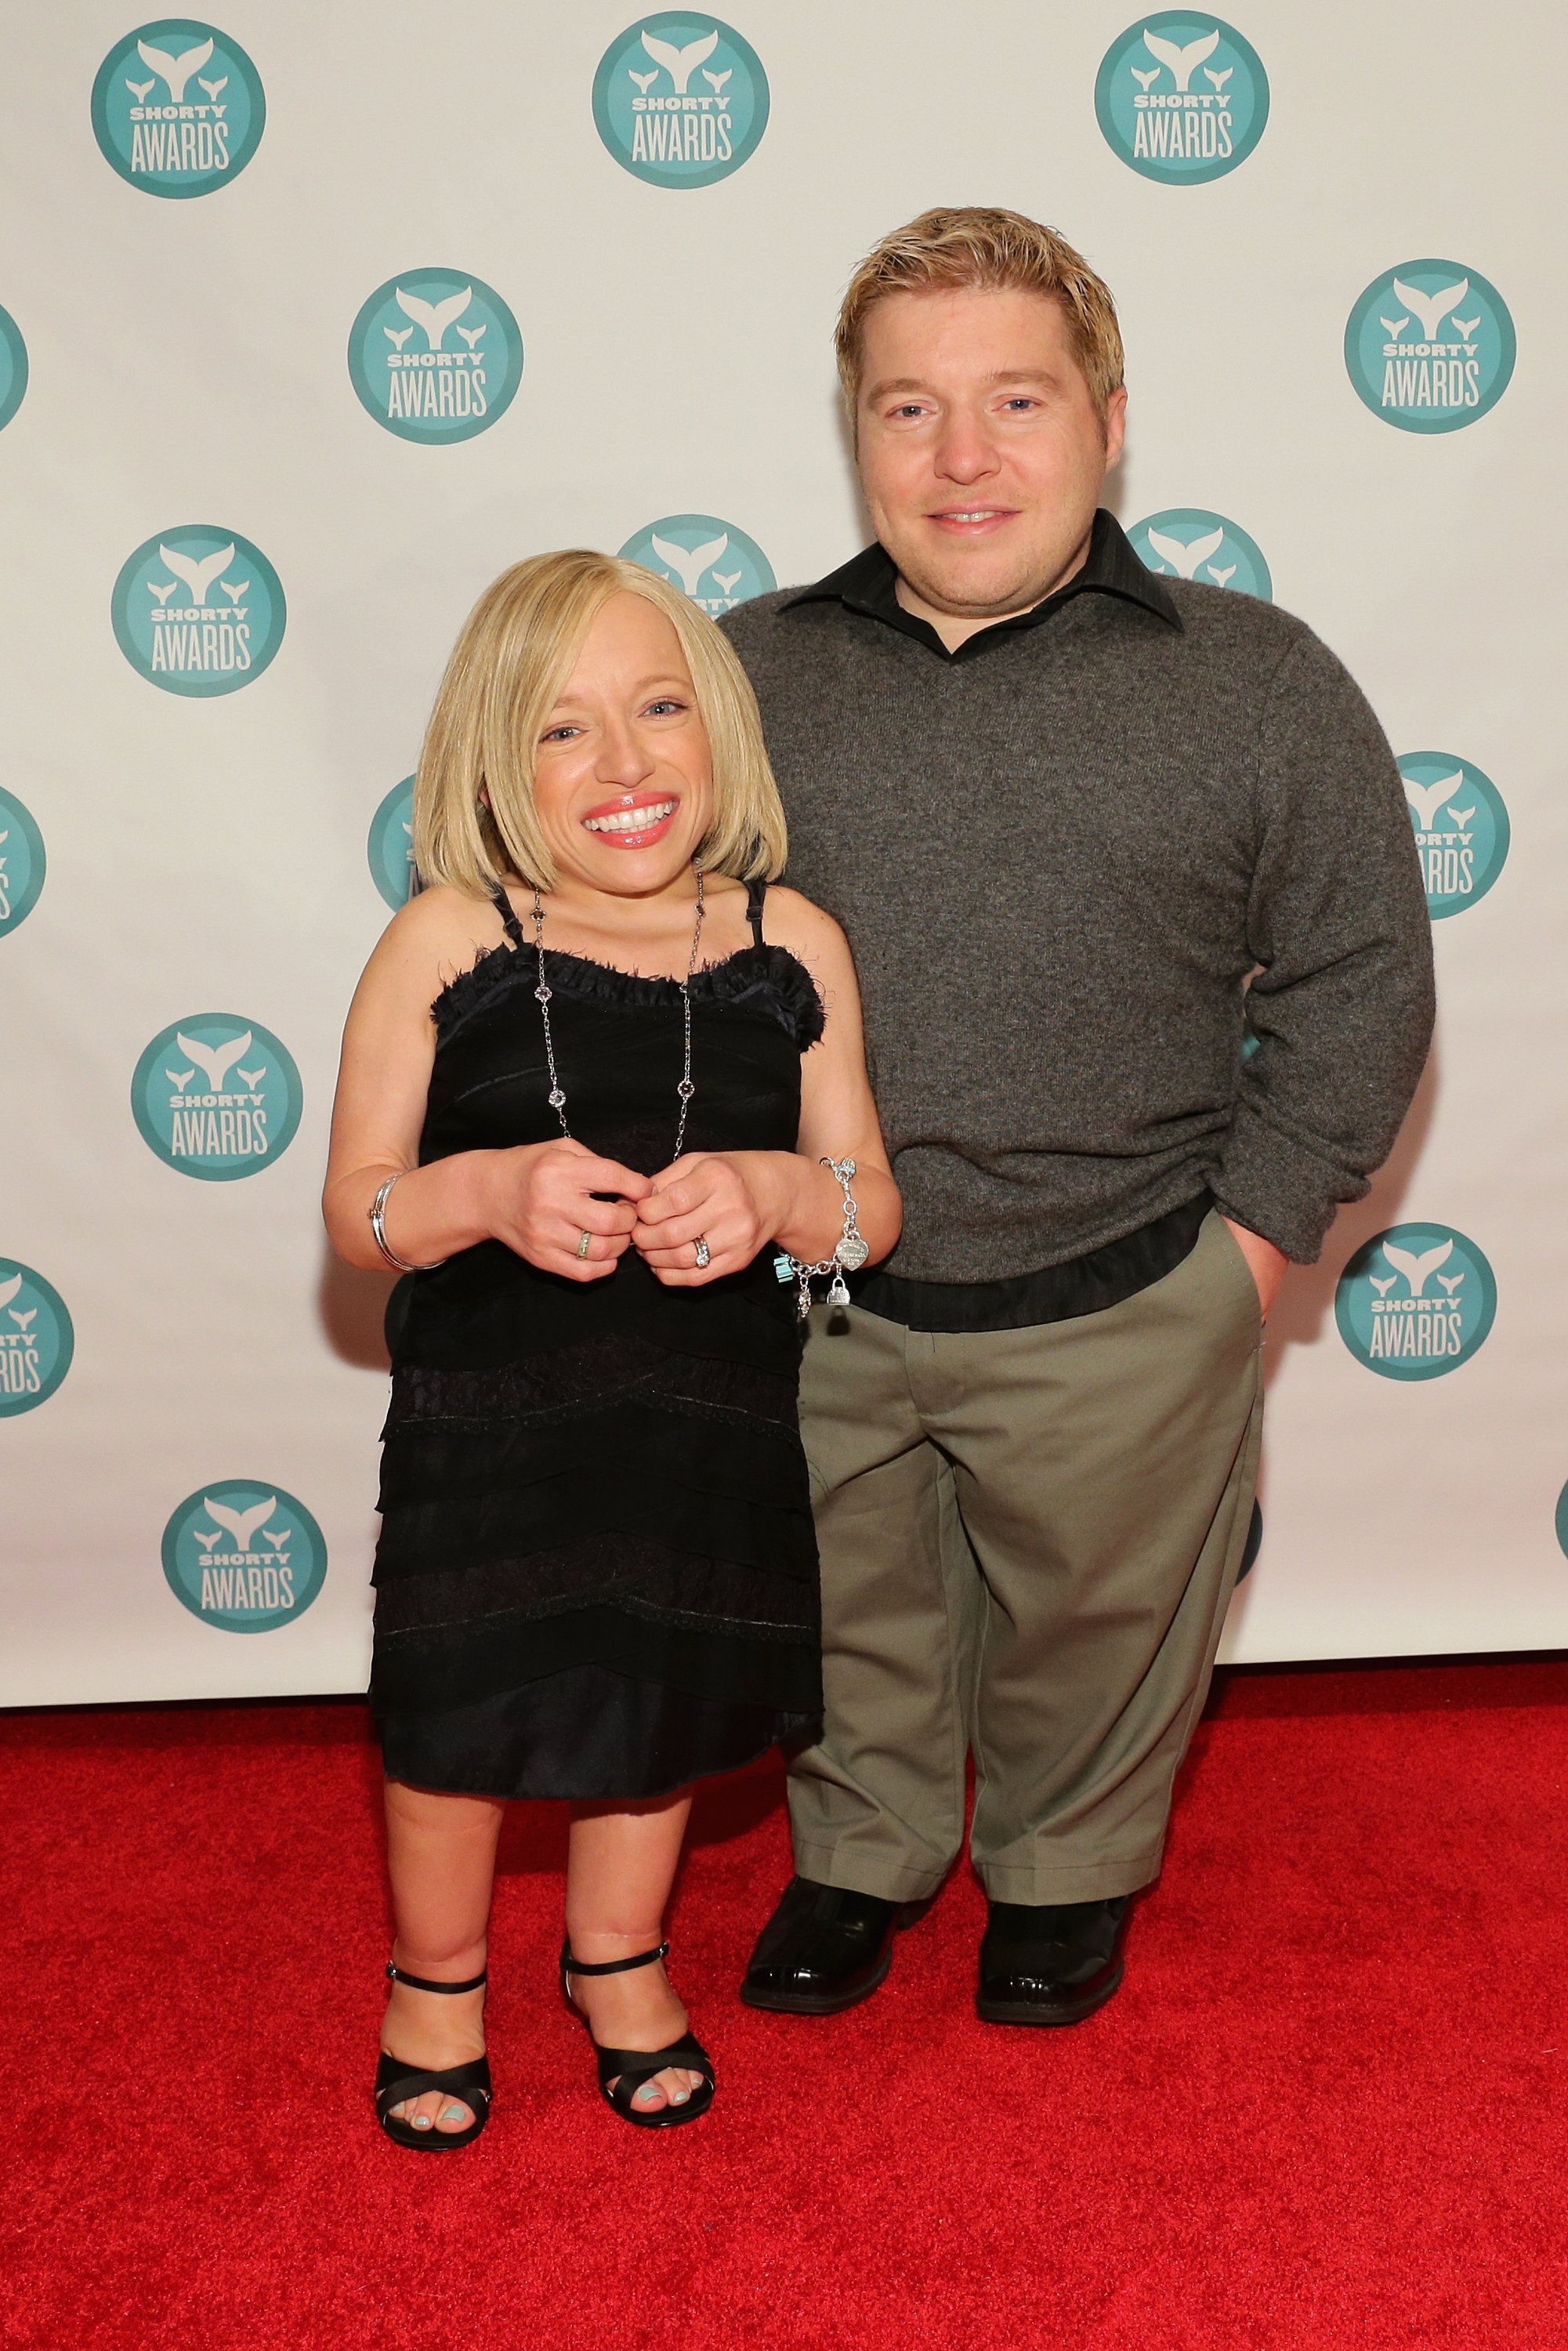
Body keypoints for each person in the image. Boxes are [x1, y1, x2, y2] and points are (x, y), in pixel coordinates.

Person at [721, 208, 1433, 2026]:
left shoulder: (1259, 680)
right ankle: (861, 1854)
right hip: (804, 1305)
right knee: (841, 1618)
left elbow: (1361, 979)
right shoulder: (728, 681)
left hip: (1129, 1294)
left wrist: (1255, 1249)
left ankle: (1063, 1872)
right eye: (909, 409)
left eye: (1015, 401)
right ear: (855, 431)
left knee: (1102, 1641)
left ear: (1109, 423)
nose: (963, 457)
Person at [322, 551, 897, 2144]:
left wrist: (787, 1189)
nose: (627, 763)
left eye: (659, 708)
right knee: (456, 1723)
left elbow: (872, 1207)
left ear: (720, 727)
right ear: (496, 760)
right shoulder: (447, 937)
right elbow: (356, 1211)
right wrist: (486, 1190)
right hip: (485, 1427)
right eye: (566, 730)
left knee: (659, 1710)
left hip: (706, 1418)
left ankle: (615, 1955)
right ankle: (435, 1983)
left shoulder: (799, 944)